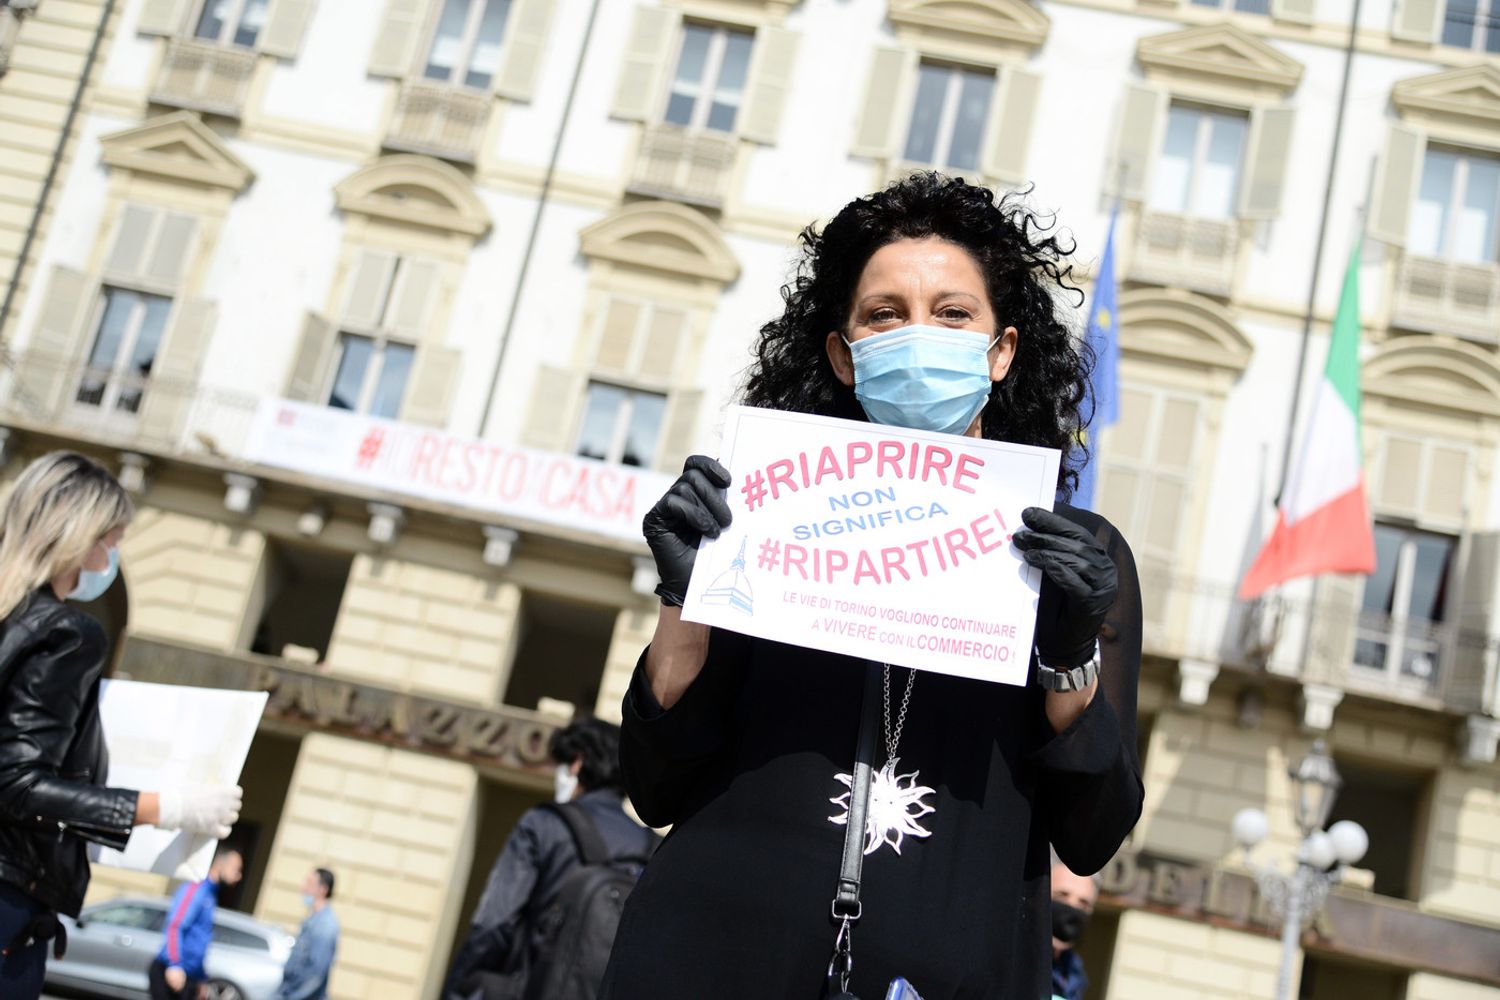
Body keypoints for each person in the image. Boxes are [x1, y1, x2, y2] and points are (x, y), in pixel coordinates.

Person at [600, 173, 1144, 999]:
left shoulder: (1075, 554)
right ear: (843, 355)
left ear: (1002, 351)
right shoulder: (760, 515)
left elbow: (1093, 834)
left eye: (953, 313)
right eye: (885, 314)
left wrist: (1068, 655)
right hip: (706, 963)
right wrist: (687, 596)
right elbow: (655, 785)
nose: (918, 334)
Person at [0, 451, 243, 1000]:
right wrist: (168, 808)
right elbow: (18, 785)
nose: (110, 558)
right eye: (111, 540)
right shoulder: (66, 634)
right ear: (80, 537)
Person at [443, 718, 656, 1000]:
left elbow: (494, 924)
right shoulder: (654, 847)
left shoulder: (543, 825)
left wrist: (457, 987)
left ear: (577, 763)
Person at [149, 846, 243, 1000]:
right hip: (172, 972)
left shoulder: (211, 895)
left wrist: (200, 978)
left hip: (189, 976)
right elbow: (175, 925)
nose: (238, 875)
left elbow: (199, 941)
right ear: (220, 863)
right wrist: (174, 964)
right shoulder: (196, 888)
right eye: (236, 868)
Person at [275, 868, 340, 1000]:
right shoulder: (313, 920)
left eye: (309, 883)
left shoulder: (325, 925)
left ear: (323, 890)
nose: (303, 887)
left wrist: (292, 997)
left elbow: (316, 974)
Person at [1050, 859, 1099, 1000]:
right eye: (1061, 896)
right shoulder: (1011, 962)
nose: (1071, 908)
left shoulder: (1076, 973)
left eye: (1083, 904)